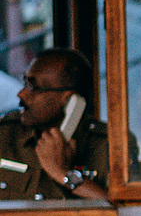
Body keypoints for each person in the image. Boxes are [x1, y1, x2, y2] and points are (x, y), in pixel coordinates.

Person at [0, 49, 114, 204]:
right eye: (25, 82)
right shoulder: (5, 133)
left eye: (33, 87)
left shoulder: (109, 144)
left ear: (69, 100)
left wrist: (62, 173)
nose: (22, 94)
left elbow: (125, 213)